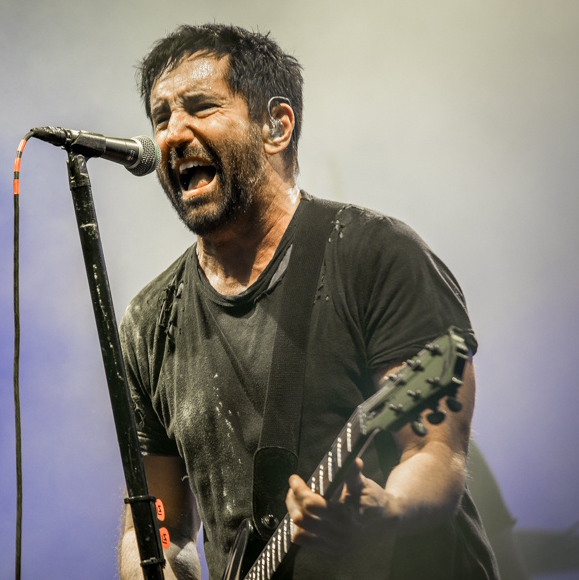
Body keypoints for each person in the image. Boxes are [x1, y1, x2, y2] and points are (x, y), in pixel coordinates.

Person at [116, 24, 497, 579]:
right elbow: (154, 528)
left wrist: (384, 508)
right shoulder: (150, 321)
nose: (173, 133)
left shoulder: (374, 255)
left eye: (200, 107)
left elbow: (436, 454)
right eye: (161, 117)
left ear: (276, 125)